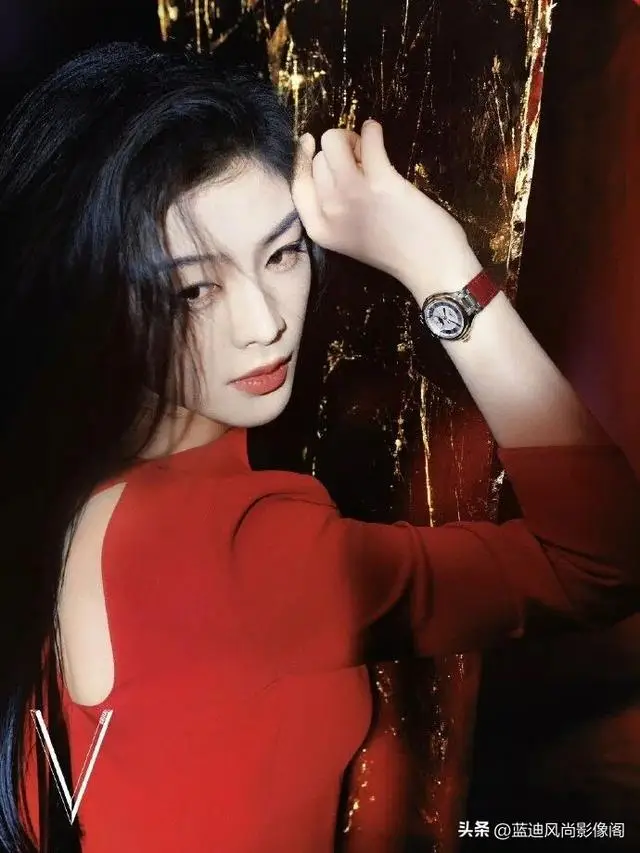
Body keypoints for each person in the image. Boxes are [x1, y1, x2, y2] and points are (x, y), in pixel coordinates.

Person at [0, 41, 637, 853]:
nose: (264, 322)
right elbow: (603, 559)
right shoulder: (252, 547)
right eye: (194, 288)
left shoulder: (57, 491)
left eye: (282, 252)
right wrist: (437, 261)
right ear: (88, 293)